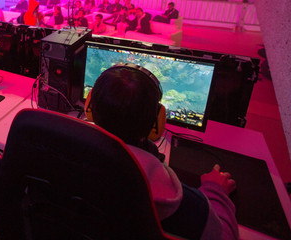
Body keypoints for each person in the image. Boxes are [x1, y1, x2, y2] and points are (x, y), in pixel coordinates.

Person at [87, 64, 238, 240]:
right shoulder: (185, 203)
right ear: (156, 119)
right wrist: (216, 192)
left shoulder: (66, 156)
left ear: (90, 105)